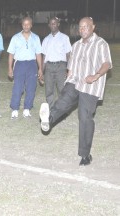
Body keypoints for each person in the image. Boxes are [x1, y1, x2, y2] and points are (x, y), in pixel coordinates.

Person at [39, 17, 112, 166]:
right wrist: (68, 78)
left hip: (91, 85)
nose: (82, 29)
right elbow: (71, 66)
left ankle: (85, 155)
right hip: (75, 81)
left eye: (86, 26)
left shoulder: (101, 44)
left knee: (84, 117)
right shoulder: (76, 45)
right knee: (63, 101)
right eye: (80, 27)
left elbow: (107, 63)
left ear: (93, 27)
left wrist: (96, 75)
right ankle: (48, 120)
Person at [7, 17, 42, 119]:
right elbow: (11, 54)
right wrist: (9, 68)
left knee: (31, 87)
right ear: (22, 25)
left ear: (31, 25)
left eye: (28, 24)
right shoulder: (15, 38)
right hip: (19, 64)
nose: (26, 26)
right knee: (18, 87)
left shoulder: (36, 38)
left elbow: (38, 54)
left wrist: (40, 68)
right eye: (24, 24)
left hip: (32, 64)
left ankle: (27, 109)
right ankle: (15, 109)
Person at [41, 17, 72, 108]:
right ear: (49, 25)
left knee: (62, 90)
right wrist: (41, 71)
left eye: (55, 23)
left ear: (58, 24)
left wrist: (68, 69)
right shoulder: (46, 39)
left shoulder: (64, 38)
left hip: (61, 66)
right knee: (49, 90)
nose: (53, 25)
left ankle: (61, 110)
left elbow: (68, 54)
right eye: (51, 23)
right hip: (49, 67)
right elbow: (44, 57)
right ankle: (51, 109)